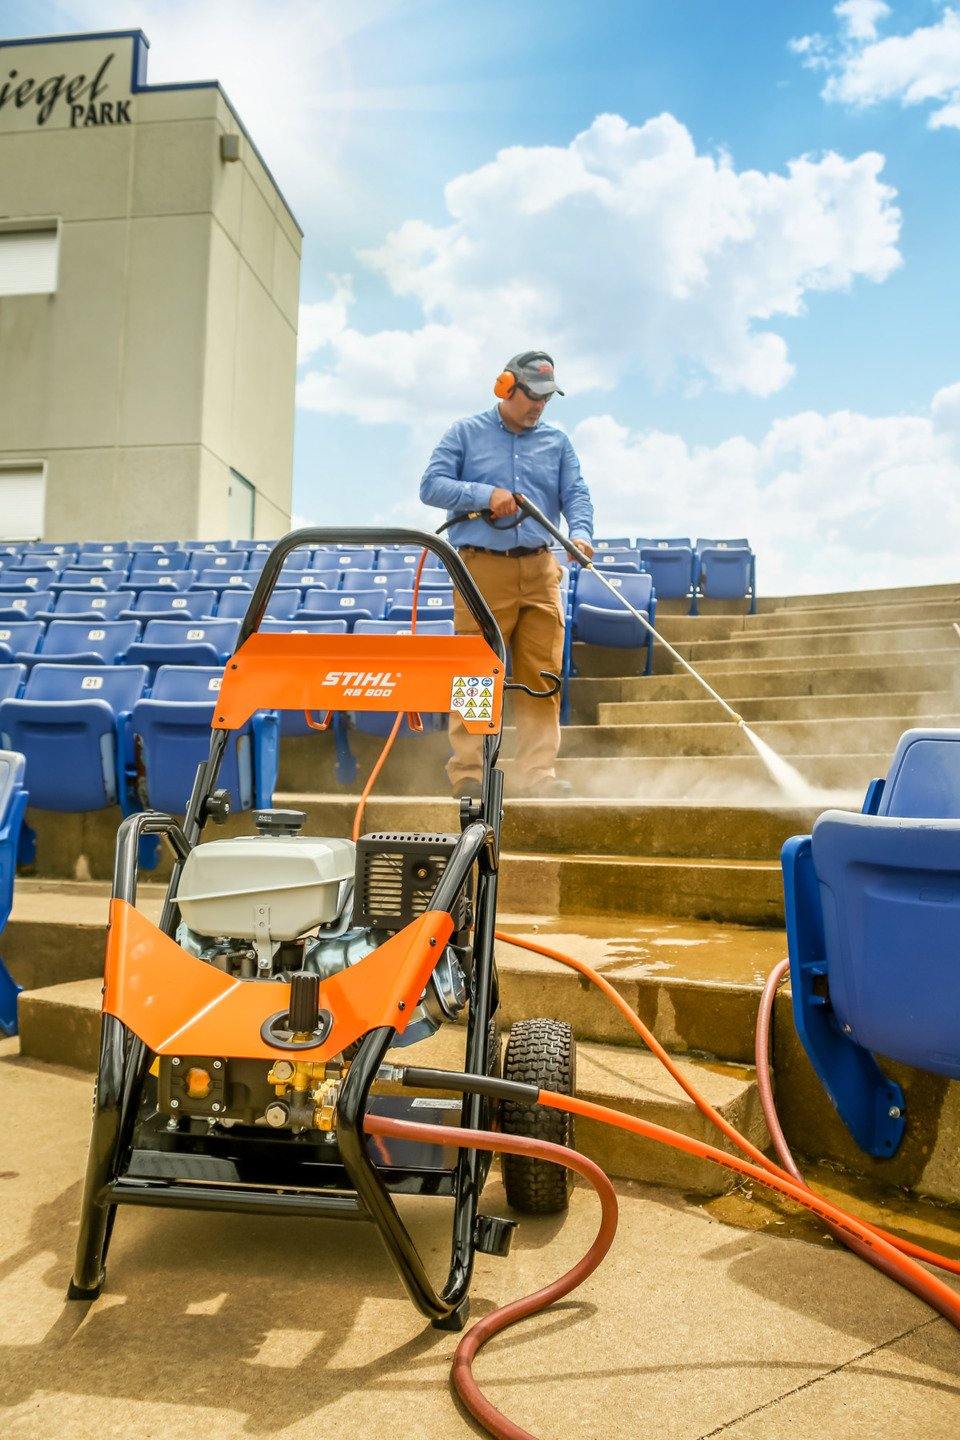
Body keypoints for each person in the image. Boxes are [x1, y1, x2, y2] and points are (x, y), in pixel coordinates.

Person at [420, 350, 594, 799]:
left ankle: (537, 775)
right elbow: (431, 485)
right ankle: (468, 773)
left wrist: (582, 533)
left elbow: (576, 493)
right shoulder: (465, 432)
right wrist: (484, 493)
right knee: (476, 673)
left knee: (542, 675)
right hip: (481, 569)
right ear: (506, 388)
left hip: (540, 569)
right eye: (532, 396)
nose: (539, 406)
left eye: (546, 398)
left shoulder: (557, 441)